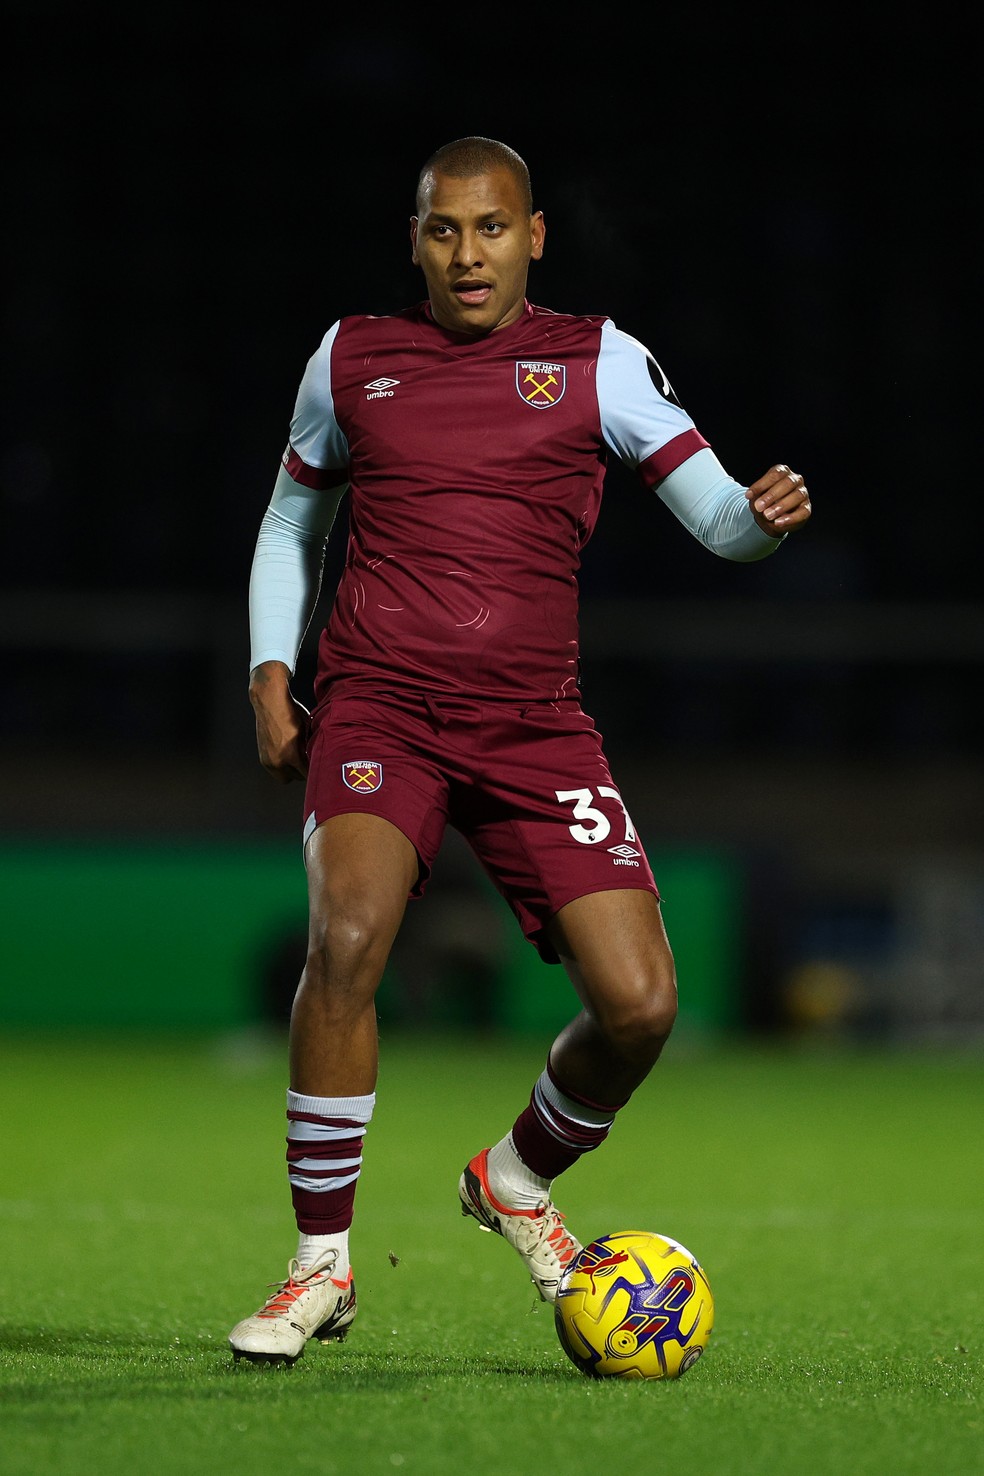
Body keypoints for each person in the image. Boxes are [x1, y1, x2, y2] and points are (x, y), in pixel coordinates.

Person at [229, 136, 812, 1365]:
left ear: (534, 235)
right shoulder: (351, 358)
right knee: (345, 942)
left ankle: (511, 1175)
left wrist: (756, 524)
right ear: (416, 240)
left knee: (643, 1008)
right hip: (380, 708)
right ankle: (319, 1269)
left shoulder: (596, 360)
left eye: (491, 229)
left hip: (535, 725)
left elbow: (712, 515)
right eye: (444, 230)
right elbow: (293, 518)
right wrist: (273, 672)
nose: (468, 253)